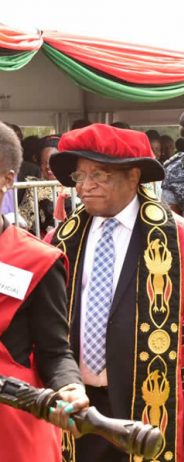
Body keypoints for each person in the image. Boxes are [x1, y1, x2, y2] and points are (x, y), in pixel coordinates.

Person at [49, 124, 184, 461]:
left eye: (99, 175)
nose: (85, 187)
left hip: (149, 404)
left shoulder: (180, 239)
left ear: (133, 177)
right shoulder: (64, 238)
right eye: (80, 176)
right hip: (79, 403)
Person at [0, 122, 89, 461]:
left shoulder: (39, 260)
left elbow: (55, 350)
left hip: (15, 416)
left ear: (9, 179)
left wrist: (69, 386)